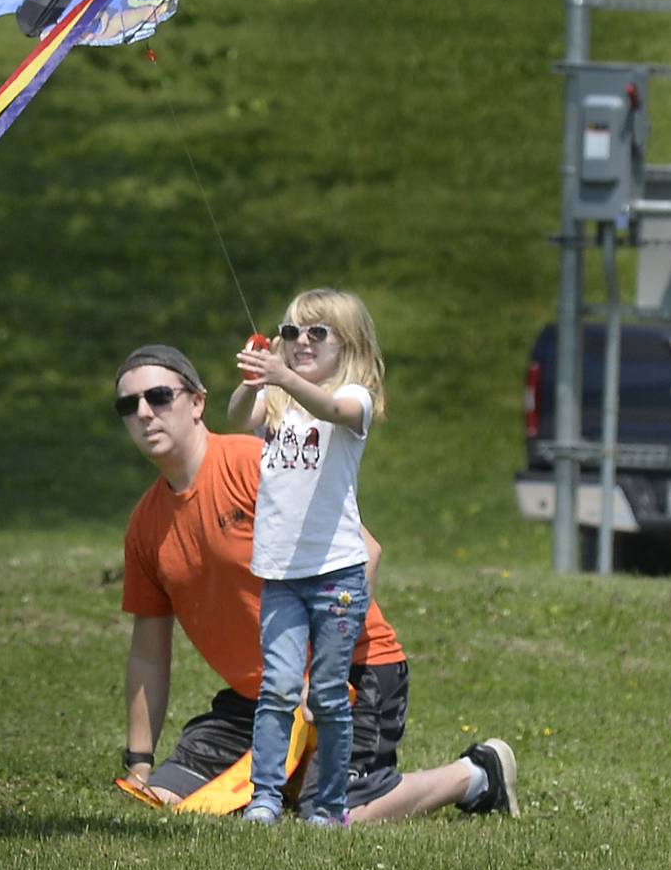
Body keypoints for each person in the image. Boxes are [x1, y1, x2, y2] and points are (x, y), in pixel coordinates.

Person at [115, 341, 517, 822]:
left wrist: (324, 671)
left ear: (197, 402)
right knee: (165, 799)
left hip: (354, 671)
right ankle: (288, 774)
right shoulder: (145, 526)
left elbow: (365, 549)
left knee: (333, 816)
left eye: (159, 396)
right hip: (260, 698)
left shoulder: (252, 464)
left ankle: (476, 774)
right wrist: (139, 762)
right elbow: (148, 651)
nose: (144, 412)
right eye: (128, 405)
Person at [228, 289, 383, 827]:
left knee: (329, 697)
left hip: (336, 573)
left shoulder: (354, 397)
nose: (300, 343)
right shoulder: (278, 399)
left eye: (318, 333)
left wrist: (282, 375)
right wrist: (256, 378)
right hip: (279, 573)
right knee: (277, 687)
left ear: (350, 344)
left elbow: (331, 407)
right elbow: (235, 417)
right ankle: (265, 797)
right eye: (291, 333)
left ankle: (329, 804)